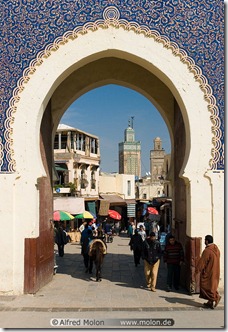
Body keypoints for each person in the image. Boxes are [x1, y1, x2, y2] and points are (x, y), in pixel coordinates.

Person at [196, 235, 221, 309]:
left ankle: (216, 297)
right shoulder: (217, 249)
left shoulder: (207, 251)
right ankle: (210, 302)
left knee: (205, 286)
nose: (204, 241)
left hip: (208, 272)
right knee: (212, 287)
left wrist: (197, 270)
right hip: (216, 272)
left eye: (205, 240)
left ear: (207, 241)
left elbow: (202, 262)